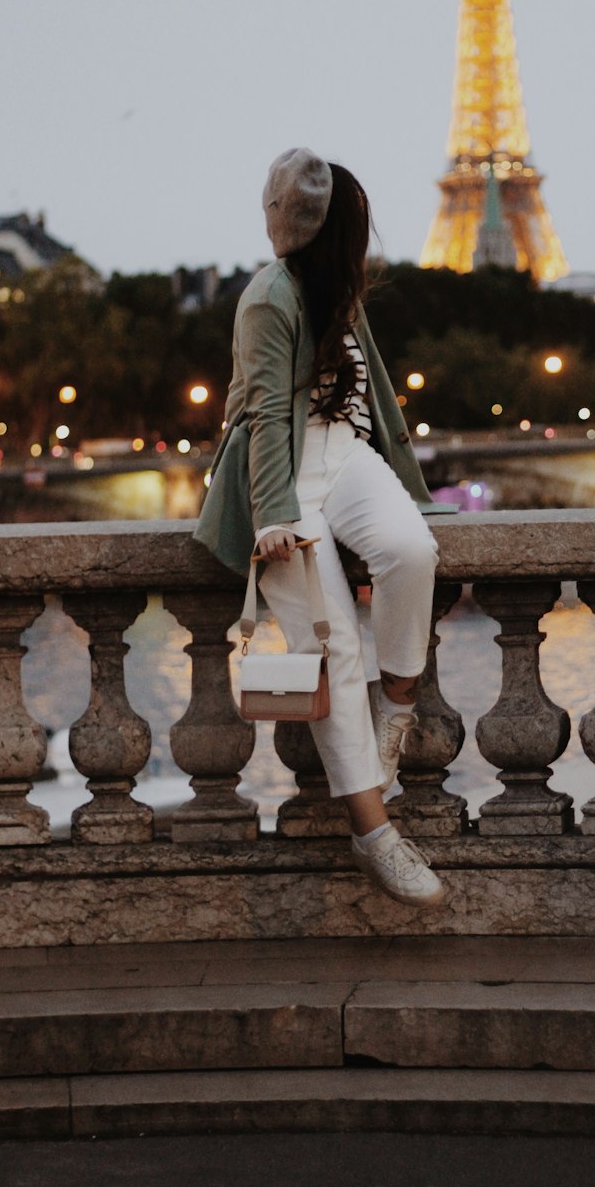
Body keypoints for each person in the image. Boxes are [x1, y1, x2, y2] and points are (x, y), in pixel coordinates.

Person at [195, 148, 445, 907]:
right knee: (331, 644)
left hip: (344, 455)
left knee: (412, 551)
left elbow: (375, 398)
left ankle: (394, 708)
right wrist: (273, 519)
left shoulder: (337, 291)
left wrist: (404, 479)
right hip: (282, 475)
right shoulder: (269, 297)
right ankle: (376, 836)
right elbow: (269, 417)